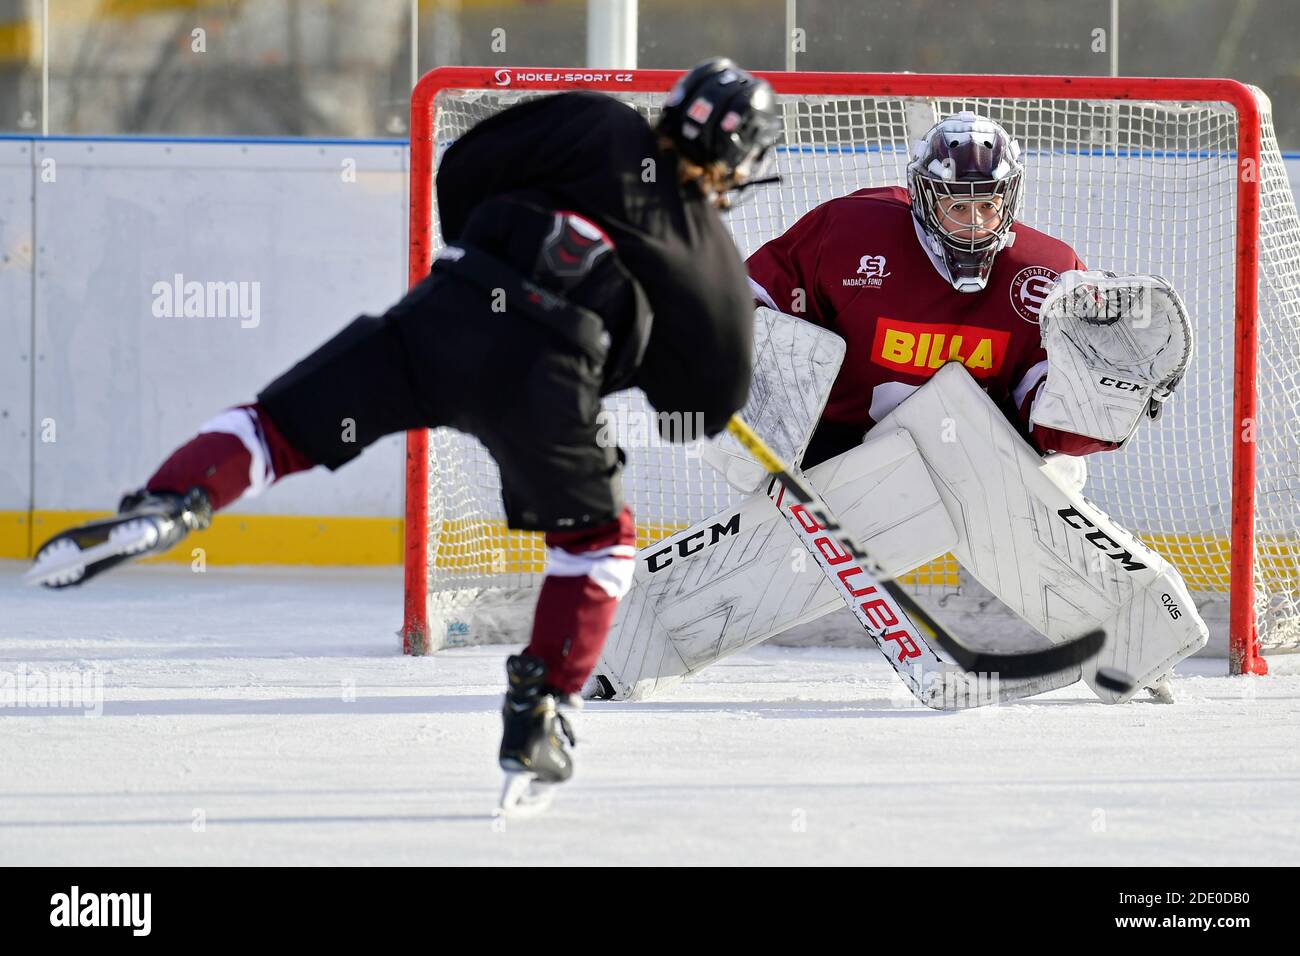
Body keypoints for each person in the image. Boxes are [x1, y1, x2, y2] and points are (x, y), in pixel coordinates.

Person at [27, 57, 782, 810]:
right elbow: (704, 404)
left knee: (278, 427)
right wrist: (642, 351)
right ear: (742, 167)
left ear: (673, 107)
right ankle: (544, 704)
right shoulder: (711, 262)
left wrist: (481, 261)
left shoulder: (595, 122)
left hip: (445, 312)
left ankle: (176, 500)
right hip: (551, 382)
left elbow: (463, 170)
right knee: (596, 542)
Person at [747, 110, 1110, 472]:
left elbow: (1053, 422)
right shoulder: (849, 233)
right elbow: (763, 291)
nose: (975, 223)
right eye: (957, 205)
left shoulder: (1047, 271)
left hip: (982, 465)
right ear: (924, 197)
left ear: (1008, 198)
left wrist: (1110, 393)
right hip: (842, 453)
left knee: (1065, 472)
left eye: (987, 205)